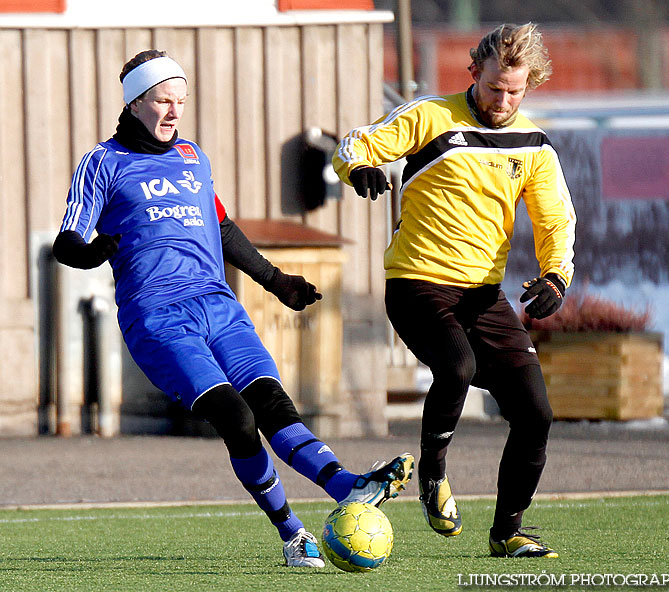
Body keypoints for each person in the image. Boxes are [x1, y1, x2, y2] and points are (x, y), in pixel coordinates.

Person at [53, 49, 413, 568]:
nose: (174, 112)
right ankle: (293, 535)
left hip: (218, 307)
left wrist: (275, 281)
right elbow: (67, 240)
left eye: (181, 101)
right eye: (162, 101)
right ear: (134, 103)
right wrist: (91, 253)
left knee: (272, 403)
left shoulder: (192, 156)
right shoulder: (103, 163)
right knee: (238, 420)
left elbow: (220, 228)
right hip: (158, 318)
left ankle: (350, 487)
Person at [333, 23, 575, 558]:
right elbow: (356, 144)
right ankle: (433, 476)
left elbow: (556, 218)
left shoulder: (534, 145)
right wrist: (361, 168)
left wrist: (557, 274)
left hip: (484, 297)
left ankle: (507, 532)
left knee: (536, 414)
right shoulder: (431, 116)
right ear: (474, 73)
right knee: (458, 367)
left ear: (529, 84)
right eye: (494, 88)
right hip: (417, 284)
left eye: (515, 90)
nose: (503, 100)